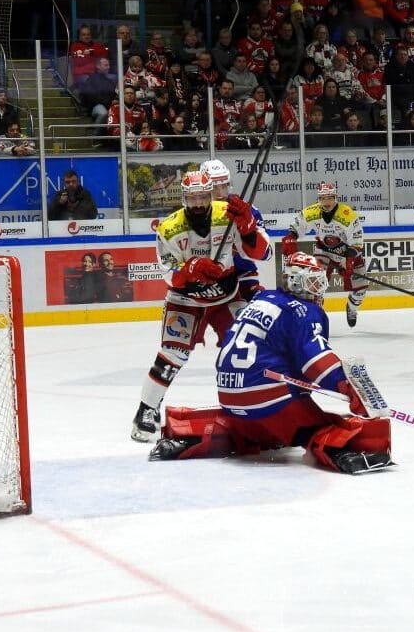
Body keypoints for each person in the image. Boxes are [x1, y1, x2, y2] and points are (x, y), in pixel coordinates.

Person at [147, 251, 394, 475]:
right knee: (316, 427)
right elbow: (315, 360)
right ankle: (343, 451)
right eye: (314, 283)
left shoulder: (261, 298)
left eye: (320, 283)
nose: (318, 290)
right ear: (298, 282)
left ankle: (187, 433)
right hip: (269, 399)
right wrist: (348, 388)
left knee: (255, 432)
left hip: (229, 397)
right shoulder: (304, 311)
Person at [131, 171, 271, 443]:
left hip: (226, 294)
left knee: (246, 348)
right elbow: (170, 275)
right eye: (192, 197)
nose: (198, 202)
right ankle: (146, 409)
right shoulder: (169, 228)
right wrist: (192, 268)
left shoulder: (228, 213)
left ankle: (256, 405)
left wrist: (249, 229)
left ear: (210, 194)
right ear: (183, 198)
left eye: (202, 196)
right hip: (186, 299)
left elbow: (264, 254)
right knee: (172, 353)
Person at [281, 181, 367, 328]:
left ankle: (352, 309)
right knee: (314, 284)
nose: (326, 202)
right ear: (318, 199)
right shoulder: (311, 212)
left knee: (360, 290)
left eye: (330, 198)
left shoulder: (347, 215)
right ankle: (315, 316)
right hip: (324, 251)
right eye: (323, 198)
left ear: (336, 197)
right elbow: (296, 227)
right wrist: (291, 236)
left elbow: (357, 241)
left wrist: (349, 259)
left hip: (348, 253)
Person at [199, 159, 271, 302]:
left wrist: (249, 233)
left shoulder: (245, 210)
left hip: (243, 277)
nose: (220, 193)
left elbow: (266, 255)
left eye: (224, 186)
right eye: (214, 188)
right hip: (208, 282)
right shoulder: (195, 214)